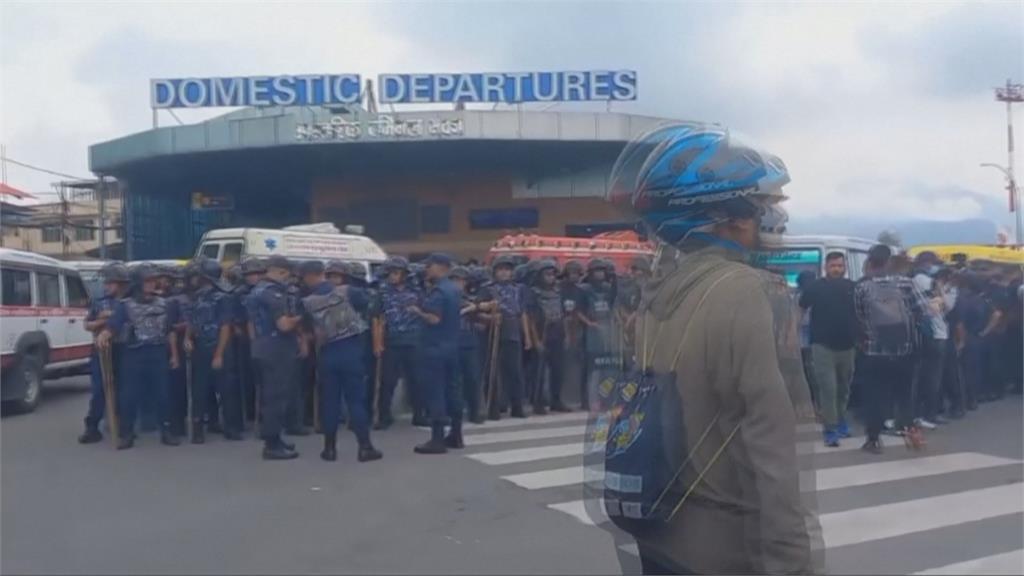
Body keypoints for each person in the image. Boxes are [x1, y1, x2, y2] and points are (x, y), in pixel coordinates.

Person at [603, 122, 819, 574]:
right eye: (766, 205)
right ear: (733, 216)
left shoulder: (656, 293)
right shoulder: (751, 292)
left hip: (660, 535)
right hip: (726, 551)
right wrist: (795, 565)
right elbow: (772, 451)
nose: (774, 218)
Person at [298, 260, 382, 462]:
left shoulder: (307, 301)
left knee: (330, 402)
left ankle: (329, 449)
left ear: (311, 276)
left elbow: (308, 329)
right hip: (351, 350)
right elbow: (368, 308)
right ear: (323, 273)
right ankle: (365, 447)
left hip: (327, 353)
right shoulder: (348, 291)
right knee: (355, 401)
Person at [854, 244, 931, 454]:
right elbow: (924, 310)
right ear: (889, 261)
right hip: (903, 350)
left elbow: (859, 318)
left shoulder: (862, 287)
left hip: (874, 352)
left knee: (875, 396)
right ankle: (911, 433)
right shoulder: (906, 283)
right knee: (904, 394)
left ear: (870, 262)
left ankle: (873, 439)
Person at [98, 263, 182, 450]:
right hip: (133, 354)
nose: (152, 284)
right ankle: (127, 434)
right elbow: (113, 326)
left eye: (153, 280)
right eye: (148, 281)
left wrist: (174, 355)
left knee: (162, 394)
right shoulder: (125, 306)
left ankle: (166, 431)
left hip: (158, 352)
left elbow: (170, 332)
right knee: (129, 395)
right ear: (138, 283)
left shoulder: (164, 304)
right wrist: (104, 336)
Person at [247, 255, 304, 460]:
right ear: (281, 271)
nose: (288, 279)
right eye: (287, 274)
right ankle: (272, 444)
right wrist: (302, 316)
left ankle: (275, 438)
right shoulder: (273, 294)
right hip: (277, 349)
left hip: (262, 347)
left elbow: (251, 326)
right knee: (276, 398)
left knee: (270, 396)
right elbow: (284, 325)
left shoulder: (256, 290)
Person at [799, 251, 857, 447]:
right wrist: (793, 333)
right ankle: (830, 429)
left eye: (840, 266)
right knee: (828, 388)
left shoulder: (853, 287)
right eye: (833, 266)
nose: (837, 269)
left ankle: (840, 419)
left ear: (845, 267)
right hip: (822, 345)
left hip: (848, 345)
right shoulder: (816, 287)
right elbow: (801, 308)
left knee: (843, 388)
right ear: (826, 268)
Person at [407, 253, 463, 453]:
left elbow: (434, 319)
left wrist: (417, 312)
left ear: (441, 267)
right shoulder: (455, 289)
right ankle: (456, 434)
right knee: (453, 391)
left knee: (435, 392)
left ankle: (437, 439)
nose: (427, 270)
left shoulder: (438, 291)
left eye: (429, 266)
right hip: (452, 346)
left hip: (434, 348)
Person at [184, 259, 241, 443]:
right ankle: (199, 429)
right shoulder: (196, 296)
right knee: (199, 389)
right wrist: (187, 338)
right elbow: (192, 321)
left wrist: (218, 354)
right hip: (200, 347)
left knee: (227, 389)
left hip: (219, 347)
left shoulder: (224, 296)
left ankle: (231, 428)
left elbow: (225, 326)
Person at [78, 262, 131, 444]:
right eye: (106, 282)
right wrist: (101, 321)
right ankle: (92, 427)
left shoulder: (128, 302)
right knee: (99, 390)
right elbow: (87, 324)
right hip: (101, 350)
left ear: (122, 284)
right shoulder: (99, 302)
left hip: (122, 349)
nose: (107, 286)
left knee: (123, 390)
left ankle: (124, 428)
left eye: (111, 283)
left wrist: (111, 320)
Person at [375, 256, 424, 429]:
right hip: (392, 342)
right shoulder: (382, 292)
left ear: (404, 274)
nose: (392, 276)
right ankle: (384, 416)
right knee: (387, 381)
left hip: (413, 341)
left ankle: (419, 414)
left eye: (396, 273)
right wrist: (378, 343)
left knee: (417, 380)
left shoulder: (417, 292)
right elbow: (377, 318)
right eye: (390, 273)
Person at [480, 255, 532, 420]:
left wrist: (527, 336)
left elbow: (523, 313)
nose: (504, 273)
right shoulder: (487, 289)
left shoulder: (519, 289)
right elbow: (478, 310)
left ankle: (517, 406)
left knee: (515, 372)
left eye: (507, 270)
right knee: (493, 372)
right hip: (493, 332)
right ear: (495, 272)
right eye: (500, 270)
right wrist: (490, 316)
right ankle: (493, 408)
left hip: (513, 330)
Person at [910, 252, 950, 429]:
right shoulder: (926, 281)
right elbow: (944, 306)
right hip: (935, 333)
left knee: (925, 376)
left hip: (929, 333)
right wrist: (940, 288)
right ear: (927, 263)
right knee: (933, 377)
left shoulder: (914, 279)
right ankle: (928, 414)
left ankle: (921, 413)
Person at [527, 259, 570, 413]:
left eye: (553, 275)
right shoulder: (533, 293)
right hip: (542, 332)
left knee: (558, 370)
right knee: (539, 372)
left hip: (557, 332)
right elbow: (530, 318)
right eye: (547, 274)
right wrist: (535, 340)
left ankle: (556, 400)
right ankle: (538, 403)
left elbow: (564, 315)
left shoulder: (559, 292)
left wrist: (567, 336)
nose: (551, 277)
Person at [578, 258, 616, 411]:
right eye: (596, 271)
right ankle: (591, 401)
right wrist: (589, 323)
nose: (599, 274)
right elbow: (578, 311)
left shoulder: (609, 288)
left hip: (608, 331)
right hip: (592, 333)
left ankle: (607, 399)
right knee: (593, 370)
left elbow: (615, 307)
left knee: (608, 368)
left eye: (601, 271)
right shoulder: (584, 289)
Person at [450, 266, 487, 424]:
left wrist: (486, 316)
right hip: (452, 343)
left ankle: (474, 411)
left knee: (472, 378)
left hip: (470, 343)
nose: (458, 283)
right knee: (454, 381)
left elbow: (482, 319)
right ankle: (454, 412)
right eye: (455, 280)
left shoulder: (472, 299)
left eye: (461, 280)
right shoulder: (446, 297)